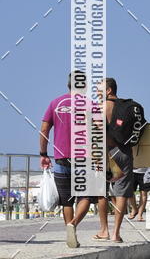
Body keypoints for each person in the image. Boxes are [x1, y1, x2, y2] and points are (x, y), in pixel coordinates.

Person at [40, 72, 109, 248]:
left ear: (68, 85)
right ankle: (74, 224)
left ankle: (71, 234)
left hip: (61, 158)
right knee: (86, 196)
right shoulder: (90, 104)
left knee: (66, 201)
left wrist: (43, 153)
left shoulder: (55, 103)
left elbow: (44, 129)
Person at [94, 77, 141, 243]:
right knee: (121, 193)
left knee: (101, 192)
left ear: (108, 90)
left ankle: (104, 230)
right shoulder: (124, 107)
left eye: (99, 90)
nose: (96, 93)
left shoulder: (101, 107)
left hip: (106, 152)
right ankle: (116, 233)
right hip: (123, 151)